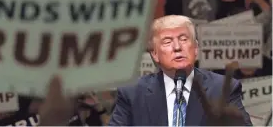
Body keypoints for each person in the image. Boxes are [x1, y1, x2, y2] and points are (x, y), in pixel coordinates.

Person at [108, 15, 252, 126]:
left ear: (196, 49)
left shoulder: (221, 89)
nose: (177, 47)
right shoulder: (132, 93)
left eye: (183, 39)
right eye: (167, 41)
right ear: (154, 54)